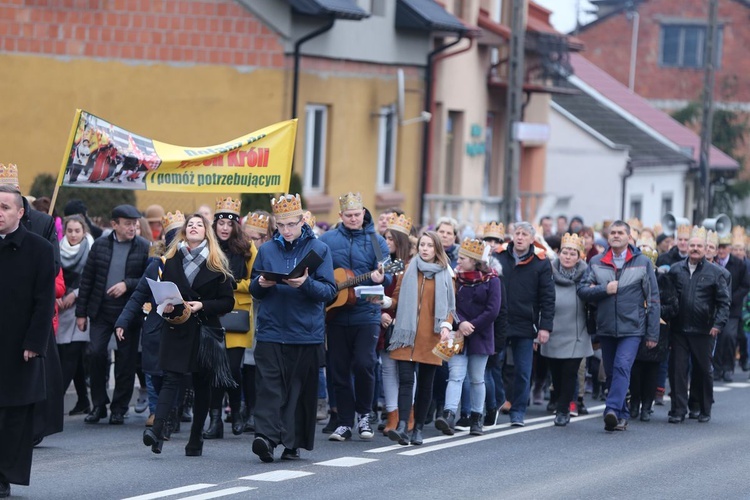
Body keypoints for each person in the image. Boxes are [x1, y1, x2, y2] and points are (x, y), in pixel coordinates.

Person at [118, 213, 235, 454]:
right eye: (189, 225)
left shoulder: (216, 262)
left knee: (202, 384)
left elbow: (227, 302)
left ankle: (196, 438)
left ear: (206, 232)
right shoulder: (169, 260)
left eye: (199, 225)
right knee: (171, 377)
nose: (193, 227)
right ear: (184, 232)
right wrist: (166, 305)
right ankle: (157, 429)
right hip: (176, 328)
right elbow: (156, 293)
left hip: (204, 331)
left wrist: (203, 305)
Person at [248, 194, 336, 462]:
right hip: (271, 330)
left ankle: (291, 443)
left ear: (302, 222)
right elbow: (253, 287)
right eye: (281, 225)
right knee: (269, 388)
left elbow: (329, 291)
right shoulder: (266, 251)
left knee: (297, 392)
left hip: (304, 333)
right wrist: (260, 284)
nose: (286, 230)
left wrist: (306, 284)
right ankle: (265, 438)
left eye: (291, 224)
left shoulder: (319, 250)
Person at [319, 192, 391, 442]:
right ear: (340, 216)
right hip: (336, 313)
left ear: (364, 214)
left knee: (364, 363)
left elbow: (389, 273)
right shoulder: (327, 239)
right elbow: (319, 271)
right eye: (348, 215)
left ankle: (365, 414)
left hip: (367, 313)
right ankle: (344, 421)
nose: (353, 219)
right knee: (338, 369)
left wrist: (384, 277)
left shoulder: (376, 241)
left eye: (357, 215)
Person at [0, 184, 56, 498]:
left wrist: (35, 342)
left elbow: (44, 300)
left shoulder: (39, 249)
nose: (0, 213)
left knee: (13, 415)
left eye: (6, 207)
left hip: (19, 345)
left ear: (21, 212)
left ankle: (5, 474)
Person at [579, 220, 660, 432]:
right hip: (606, 326)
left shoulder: (642, 262)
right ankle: (621, 415)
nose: (616, 235)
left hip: (632, 328)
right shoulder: (597, 261)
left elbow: (653, 299)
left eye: (620, 233)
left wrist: (652, 333)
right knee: (613, 374)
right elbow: (583, 290)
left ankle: (611, 409)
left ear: (628, 237)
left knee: (622, 366)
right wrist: (604, 289)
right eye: (613, 232)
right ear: (608, 236)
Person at [75, 204, 150, 425]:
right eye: (127, 223)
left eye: (135, 223)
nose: (133, 227)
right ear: (114, 224)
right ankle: (99, 405)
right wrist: (81, 313)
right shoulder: (100, 246)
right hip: (101, 310)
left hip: (128, 314)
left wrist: (127, 284)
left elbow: (150, 278)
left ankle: (119, 407)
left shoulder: (144, 247)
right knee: (96, 354)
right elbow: (87, 279)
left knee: (126, 361)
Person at [435, 238, 500, 437]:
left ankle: (476, 417)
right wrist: (460, 323)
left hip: (480, 335)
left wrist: (472, 326)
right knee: (455, 376)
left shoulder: (492, 280)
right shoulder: (456, 279)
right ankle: (448, 415)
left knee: (477, 379)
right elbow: (450, 305)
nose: (458, 261)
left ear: (474, 261)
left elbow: (493, 310)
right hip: (458, 334)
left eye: (463, 258)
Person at [204, 197, 256, 438]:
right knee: (215, 369)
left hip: (238, 314)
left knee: (233, 369)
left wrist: (233, 284)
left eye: (229, 223)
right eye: (220, 223)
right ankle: (215, 420)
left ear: (236, 226)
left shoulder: (247, 249)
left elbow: (256, 281)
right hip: (213, 312)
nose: (224, 228)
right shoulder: (207, 248)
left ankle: (236, 414)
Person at [494, 222, 555, 427]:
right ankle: (498, 401)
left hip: (526, 323)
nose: (520, 237)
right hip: (500, 321)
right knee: (495, 365)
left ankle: (518, 411)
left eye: (524, 234)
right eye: (517, 233)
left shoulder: (541, 261)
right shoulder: (499, 256)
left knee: (522, 370)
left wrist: (545, 327)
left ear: (532, 239)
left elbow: (548, 297)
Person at [668, 227, 731, 423]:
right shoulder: (676, 269)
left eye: (698, 246)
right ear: (687, 247)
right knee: (677, 370)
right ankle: (678, 410)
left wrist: (717, 325)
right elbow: (669, 297)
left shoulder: (716, 272)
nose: (694, 248)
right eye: (692, 245)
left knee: (703, 370)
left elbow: (723, 302)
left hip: (704, 329)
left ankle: (704, 408)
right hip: (679, 329)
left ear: (705, 249)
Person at [541, 233, 593, 427]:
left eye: (572, 253)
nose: (568, 256)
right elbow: (541, 300)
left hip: (577, 332)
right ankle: (560, 400)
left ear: (579, 256)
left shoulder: (587, 274)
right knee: (556, 372)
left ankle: (563, 410)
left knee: (570, 372)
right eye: (565, 252)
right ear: (559, 253)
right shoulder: (548, 272)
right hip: (553, 330)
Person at [629, 238, 677, 422]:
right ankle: (634, 403)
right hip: (634, 327)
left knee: (651, 370)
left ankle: (647, 406)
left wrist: (654, 311)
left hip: (657, 330)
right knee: (635, 369)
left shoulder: (664, 280)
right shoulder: (631, 277)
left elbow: (673, 307)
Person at [378, 214, 414, 436]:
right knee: (387, 370)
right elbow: (377, 293)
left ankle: (408, 413)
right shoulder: (383, 265)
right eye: (385, 237)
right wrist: (381, 313)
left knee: (407, 371)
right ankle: (392, 414)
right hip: (384, 322)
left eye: (391, 238)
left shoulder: (412, 264)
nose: (387, 242)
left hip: (405, 323)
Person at [57, 215, 95, 417]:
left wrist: (75, 293)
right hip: (61, 308)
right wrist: (57, 296)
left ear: (84, 232)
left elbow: (93, 278)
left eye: (77, 231)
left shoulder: (91, 248)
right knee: (69, 356)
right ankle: (83, 400)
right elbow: (53, 274)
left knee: (71, 354)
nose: (73, 235)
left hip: (82, 309)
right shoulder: (57, 248)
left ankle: (54, 401)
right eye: (70, 230)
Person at [712, 234, 750, 382]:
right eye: (719, 248)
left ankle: (728, 367)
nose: (721, 251)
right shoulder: (713, 263)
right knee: (716, 337)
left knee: (728, 336)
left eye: (723, 248)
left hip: (732, 308)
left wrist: (731, 298)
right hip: (715, 307)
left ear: (729, 248)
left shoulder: (738, 264)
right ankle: (717, 368)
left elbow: (745, 285)